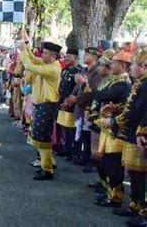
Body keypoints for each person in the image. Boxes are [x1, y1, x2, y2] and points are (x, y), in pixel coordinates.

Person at [108, 46, 147, 225]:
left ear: (144, 66)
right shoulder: (140, 82)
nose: (130, 68)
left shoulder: (145, 84)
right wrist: (116, 110)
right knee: (133, 172)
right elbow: (131, 107)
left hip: (140, 133)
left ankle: (143, 211)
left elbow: (140, 110)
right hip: (133, 132)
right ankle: (135, 205)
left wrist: (115, 121)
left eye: (134, 65)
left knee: (140, 175)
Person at [91, 49, 132, 208]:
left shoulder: (122, 83)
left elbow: (101, 95)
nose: (110, 66)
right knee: (108, 162)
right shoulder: (114, 79)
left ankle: (116, 196)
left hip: (117, 130)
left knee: (113, 164)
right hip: (109, 128)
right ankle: (112, 193)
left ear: (122, 65)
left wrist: (90, 88)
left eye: (113, 63)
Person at [20, 28, 61, 180]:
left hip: (47, 107)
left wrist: (23, 50)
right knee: (39, 137)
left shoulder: (52, 68)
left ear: (53, 56)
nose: (42, 55)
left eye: (44, 53)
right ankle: (48, 162)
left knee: (42, 139)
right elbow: (33, 58)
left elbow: (30, 65)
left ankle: (47, 169)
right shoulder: (48, 64)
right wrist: (25, 43)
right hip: (42, 106)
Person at [56, 48, 82, 160]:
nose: (66, 58)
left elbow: (77, 88)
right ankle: (66, 147)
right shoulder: (65, 69)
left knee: (71, 127)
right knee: (63, 125)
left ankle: (73, 150)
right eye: (66, 56)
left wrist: (69, 100)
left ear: (76, 58)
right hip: (62, 100)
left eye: (69, 56)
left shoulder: (78, 70)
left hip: (71, 103)